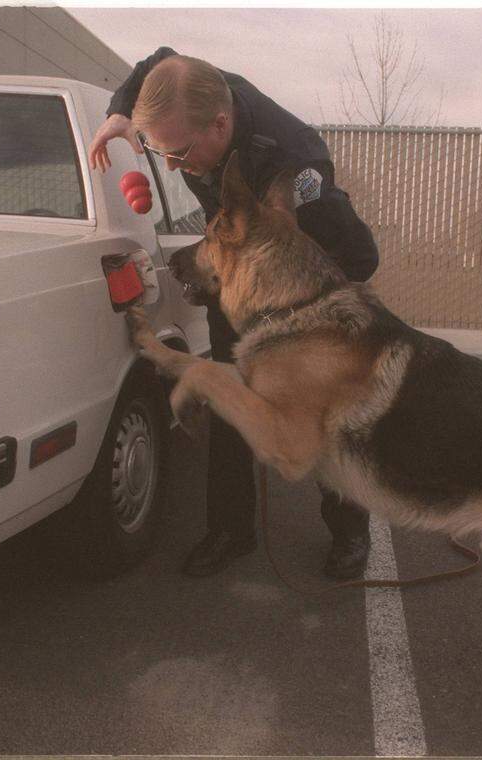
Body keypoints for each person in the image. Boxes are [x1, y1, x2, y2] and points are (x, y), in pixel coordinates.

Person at [90, 47, 379, 580]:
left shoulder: (298, 169)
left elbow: (359, 257)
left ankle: (349, 532)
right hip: (241, 279)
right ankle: (230, 529)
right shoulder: (197, 90)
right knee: (226, 397)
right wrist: (120, 111)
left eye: (179, 153)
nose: (173, 166)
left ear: (220, 125)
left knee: (323, 413)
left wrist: (305, 323)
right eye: (164, 153)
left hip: (311, 290)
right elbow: (160, 59)